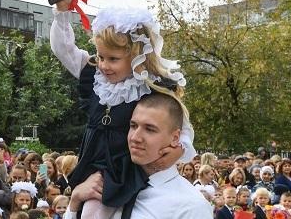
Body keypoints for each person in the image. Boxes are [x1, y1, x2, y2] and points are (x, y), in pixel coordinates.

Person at [50, 0, 190, 218]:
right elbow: (64, 50)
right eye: (101, 56)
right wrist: (62, 12)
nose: (104, 65)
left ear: (137, 56)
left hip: (122, 168)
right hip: (93, 162)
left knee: (97, 210)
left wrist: (179, 149)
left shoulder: (150, 86)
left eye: (113, 59)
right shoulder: (94, 76)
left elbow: (180, 123)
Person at [64, 93, 211, 218]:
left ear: (175, 138)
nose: (135, 137)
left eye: (150, 129)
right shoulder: (106, 184)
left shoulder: (191, 206)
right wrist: (74, 202)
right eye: (133, 126)